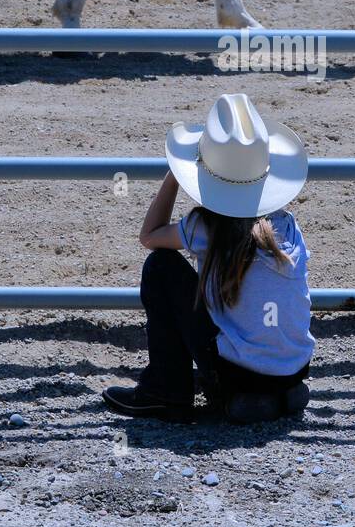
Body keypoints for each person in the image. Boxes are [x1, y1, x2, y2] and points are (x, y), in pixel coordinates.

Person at [103, 94, 314, 424]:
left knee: (161, 267)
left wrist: (175, 173)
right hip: (295, 366)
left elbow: (150, 235)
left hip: (239, 373)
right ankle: (278, 391)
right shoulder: (286, 226)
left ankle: (166, 391)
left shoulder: (204, 227)